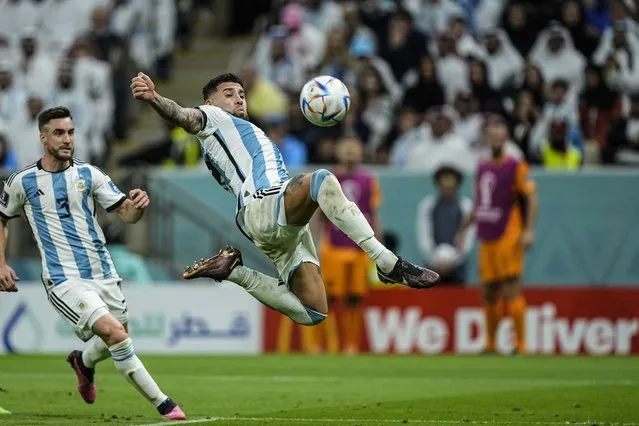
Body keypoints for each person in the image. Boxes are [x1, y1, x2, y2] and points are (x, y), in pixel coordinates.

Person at [131, 72, 439, 329]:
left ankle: (236, 271)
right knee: (322, 180)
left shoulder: (240, 132)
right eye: (228, 93)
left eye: (241, 93)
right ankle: (387, 262)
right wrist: (156, 99)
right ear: (209, 102)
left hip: (272, 222)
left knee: (314, 312)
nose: (239, 98)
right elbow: (183, 115)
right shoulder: (213, 118)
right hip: (265, 206)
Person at [0, 107, 185, 421]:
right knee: (116, 334)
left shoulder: (90, 174)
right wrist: (1, 263)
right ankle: (165, 404)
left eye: (71, 132)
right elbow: (2, 219)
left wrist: (137, 206)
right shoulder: (23, 181)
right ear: (43, 137)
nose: (67, 139)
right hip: (63, 278)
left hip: (102, 272)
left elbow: (125, 212)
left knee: (118, 334)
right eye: (59, 133)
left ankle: (83, 362)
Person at [456, 115, 537, 355]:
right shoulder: (482, 167)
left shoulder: (516, 166)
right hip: (486, 233)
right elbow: (480, 202)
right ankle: (490, 344)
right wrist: (464, 228)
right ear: (486, 137)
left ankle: (521, 345)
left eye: (500, 130)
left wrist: (529, 230)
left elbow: (531, 198)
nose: (495, 135)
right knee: (488, 290)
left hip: (508, 233)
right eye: (491, 131)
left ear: (507, 136)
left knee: (511, 286)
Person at [315, 136, 381, 354]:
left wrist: (378, 249)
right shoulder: (328, 178)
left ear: (362, 153)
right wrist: (314, 243)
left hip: (359, 249)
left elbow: (374, 214)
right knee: (330, 298)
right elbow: (318, 215)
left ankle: (351, 345)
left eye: (355, 147)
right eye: (346, 147)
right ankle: (329, 344)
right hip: (333, 247)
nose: (350, 151)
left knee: (355, 298)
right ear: (338, 152)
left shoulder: (369, 180)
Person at [416, 165, 474, 285]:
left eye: (451, 179)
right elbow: (424, 237)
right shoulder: (427, 206)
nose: (447, 183)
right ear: (438, 183)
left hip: (458, 267)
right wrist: (435, 259)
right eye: (444, 179)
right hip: (432, 265)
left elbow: (468, 239)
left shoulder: (466, 206)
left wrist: (452, 260)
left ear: (457, 183)